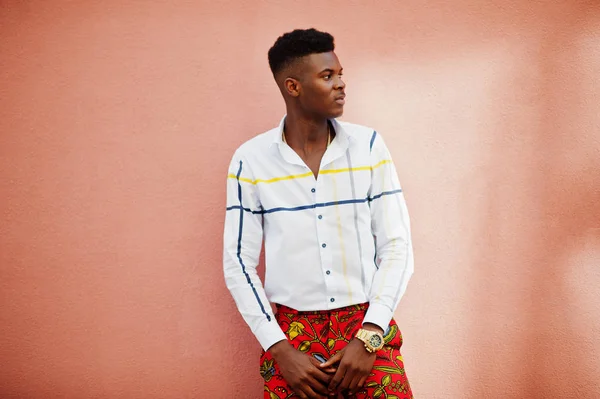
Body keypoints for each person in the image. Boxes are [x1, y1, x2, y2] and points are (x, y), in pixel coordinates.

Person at [223, 28, 414, 399]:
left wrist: (371, 335)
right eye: (328, 76)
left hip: (365, 324)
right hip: (291, 336)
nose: (341, 84)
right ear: (293, 87)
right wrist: (278, 349)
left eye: (340, 74)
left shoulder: (369, 147)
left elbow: (396, 245)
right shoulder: (250, 160)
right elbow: (238, 262)